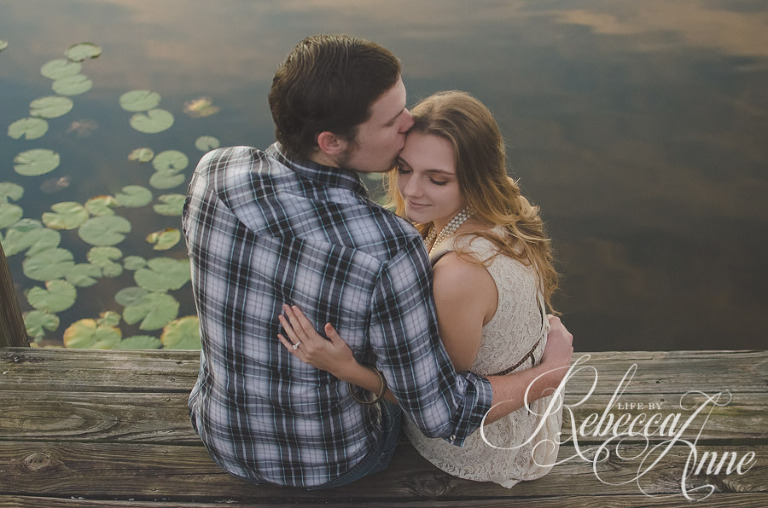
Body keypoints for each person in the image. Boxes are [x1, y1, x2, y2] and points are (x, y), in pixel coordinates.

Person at [182, 34, 573, 489]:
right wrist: (548, 375)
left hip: (219, 432)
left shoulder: (214, 172)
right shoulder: (388, 249)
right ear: (331, 141)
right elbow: (440, 412)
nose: (410, 122)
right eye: (392, 122)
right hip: (332, 461)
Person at [278, 90, 565, 488]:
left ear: (476, 178)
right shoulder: (502, 211)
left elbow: (440, 400)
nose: (412, 190)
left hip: (476, 439)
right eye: (404, 168)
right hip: (523, 406)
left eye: (437, 179)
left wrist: (348, 368)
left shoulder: (459, 273)